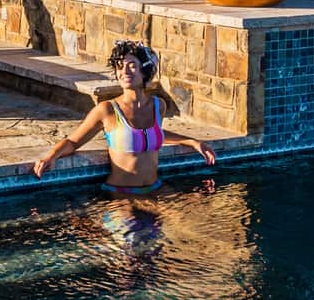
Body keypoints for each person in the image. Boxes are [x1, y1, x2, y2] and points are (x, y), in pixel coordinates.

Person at [32, 39, 216, 194]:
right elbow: (73, 142)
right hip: (122, 196)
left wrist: (192, 142)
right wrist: (50, 157)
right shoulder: (107, 110)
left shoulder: (158, 105)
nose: (124, 72)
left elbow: (151, 134)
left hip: (154, 188)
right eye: (120, 67)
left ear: (146, 71)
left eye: (132, 66)